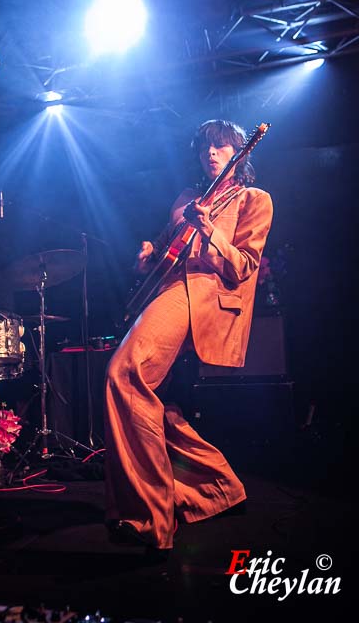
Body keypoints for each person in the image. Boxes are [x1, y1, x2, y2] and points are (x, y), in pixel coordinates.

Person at [104, 119, 273, 556]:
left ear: (240, 151)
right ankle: (218, 488)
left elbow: (243, 266)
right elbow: (165, 250)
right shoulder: (186, 198)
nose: (211, 154)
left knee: (125, 373)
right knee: (143, 396)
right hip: (164, 291)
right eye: (204, 149)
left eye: (220, 147)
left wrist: (209, 229)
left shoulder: (254, 198)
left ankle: (150, 518)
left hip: (201, 295)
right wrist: (148, 254)